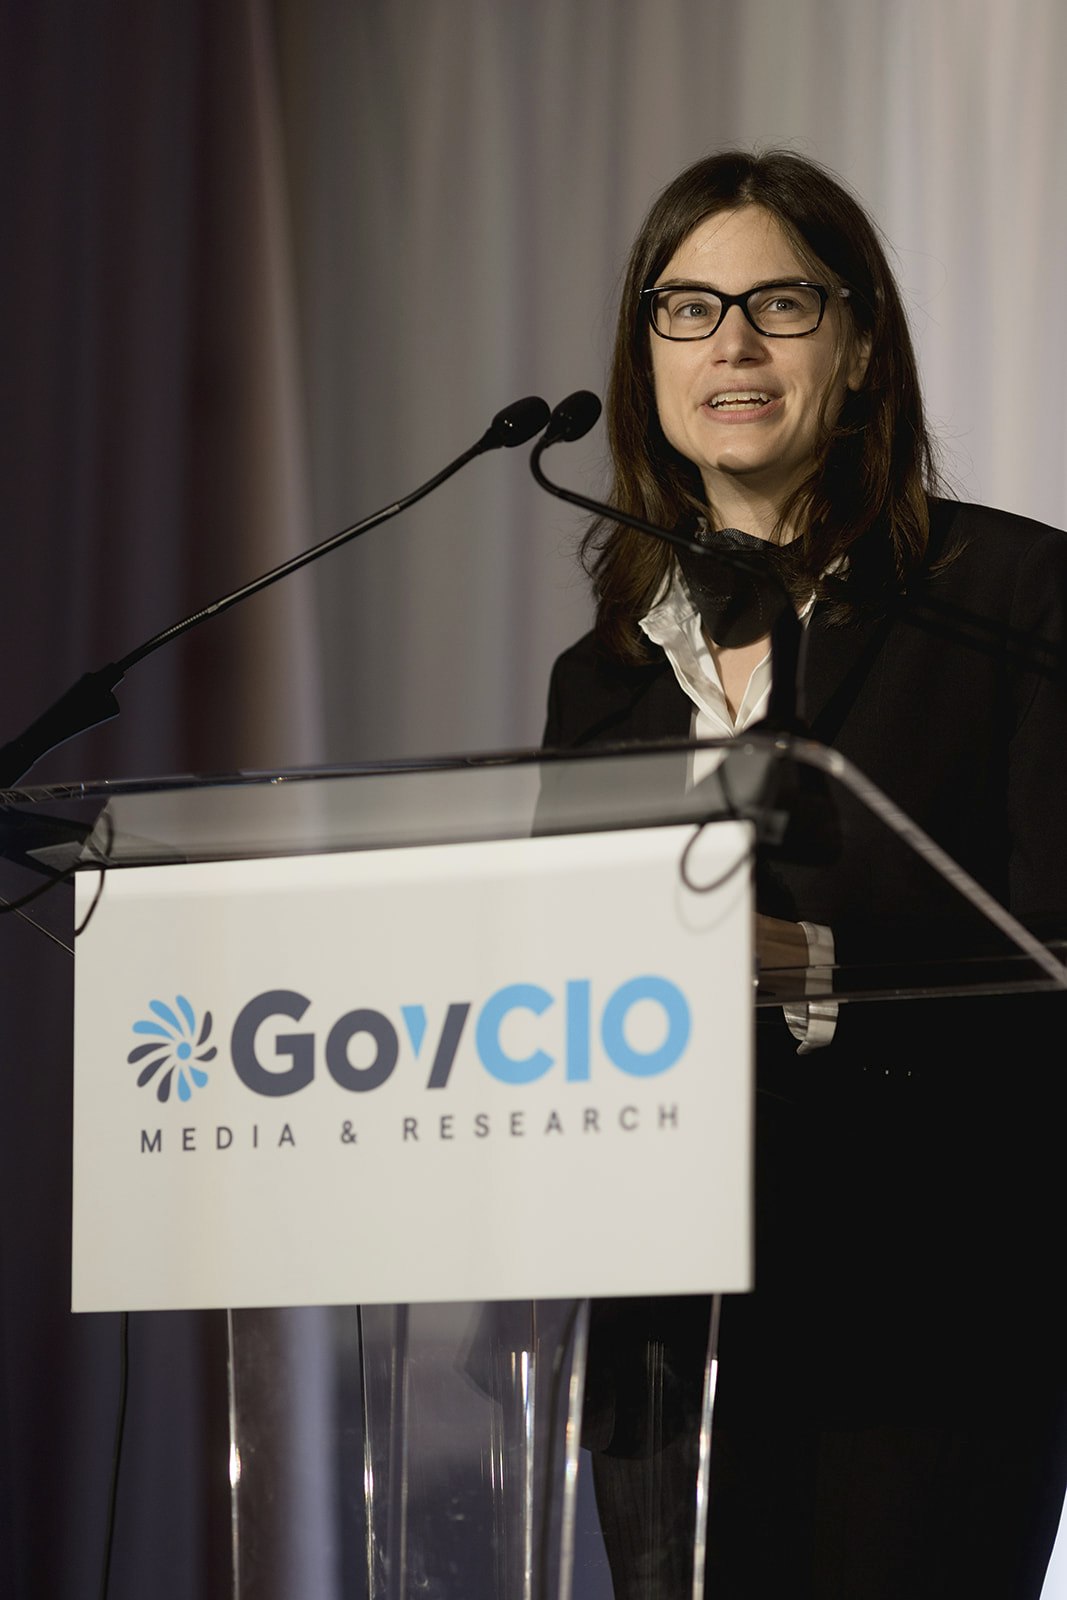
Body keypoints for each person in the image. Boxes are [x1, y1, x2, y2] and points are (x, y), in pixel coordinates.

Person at [542, 149, 1067, 1598]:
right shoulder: (601, 676)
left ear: (860, 346)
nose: (731, 345)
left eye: (780, 303)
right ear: (646, 355)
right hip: (666, 1331)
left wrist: (818, 968)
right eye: (687, 308)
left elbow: (1060, 953)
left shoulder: (1013, 599)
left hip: (931, 1308)